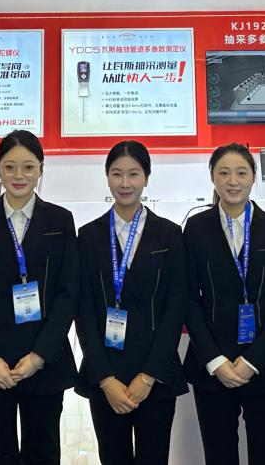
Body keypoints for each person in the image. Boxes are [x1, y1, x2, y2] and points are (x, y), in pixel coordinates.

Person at [0, 130, 79, 465]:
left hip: (44, 361)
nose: (19, 176)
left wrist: (39, 356)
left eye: (28, 167)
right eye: (9, 167)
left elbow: (68, 293)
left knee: (43, 453)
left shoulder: (60, 220)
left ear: (41, 169)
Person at [183, 143, 265, 465]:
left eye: (241, 173)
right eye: (224, 173)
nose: (233, 181)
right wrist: (215, 360)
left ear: (253, 177)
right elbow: (188, 298)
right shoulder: (196, 228)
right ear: (212, 177)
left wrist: (253, 360)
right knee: (218, 456)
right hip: (213, 365)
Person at [76, 141, 187, 465]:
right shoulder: (89, 236)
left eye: (133, 174)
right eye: (117, 174)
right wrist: (105, 379)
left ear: (146, 177)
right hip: (106, 374)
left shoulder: (169, 235)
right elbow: (83, 310)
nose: (125, 183)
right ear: (107, 177)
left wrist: (149, 375)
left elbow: (175, 306)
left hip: (156, 374)